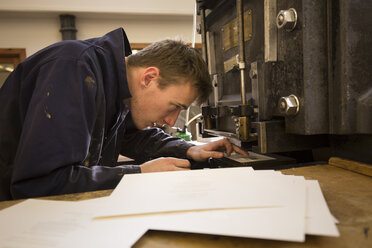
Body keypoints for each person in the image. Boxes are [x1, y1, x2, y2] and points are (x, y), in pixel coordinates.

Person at [0, 27, 247, 201]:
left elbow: (129, 135)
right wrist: (139, 174)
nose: (171, 121)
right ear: (149, 77)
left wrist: (188, 149)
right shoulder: (74, 68)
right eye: (175, 106)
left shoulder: (115, 87)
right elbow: (40, 184)